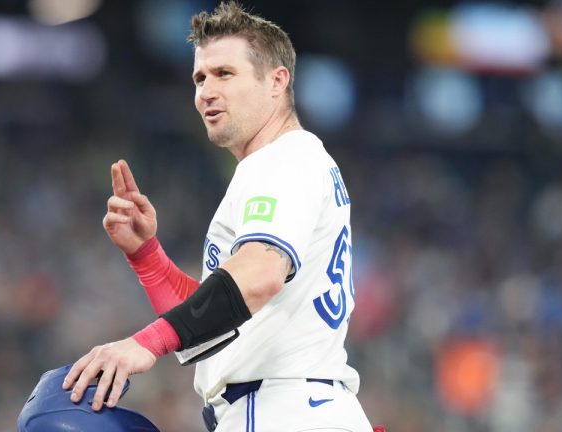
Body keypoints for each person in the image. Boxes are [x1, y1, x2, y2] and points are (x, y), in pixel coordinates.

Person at [62, 2, 373, 431]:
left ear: (276, 81)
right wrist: (147, 256)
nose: (206, 91)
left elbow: (259, 274)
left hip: (283, 409)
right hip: (298, 406)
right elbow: (219, 323)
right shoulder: (290, 161)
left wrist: (145, 343)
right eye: (200, 78)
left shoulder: (286, 158)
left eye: (225, 74)